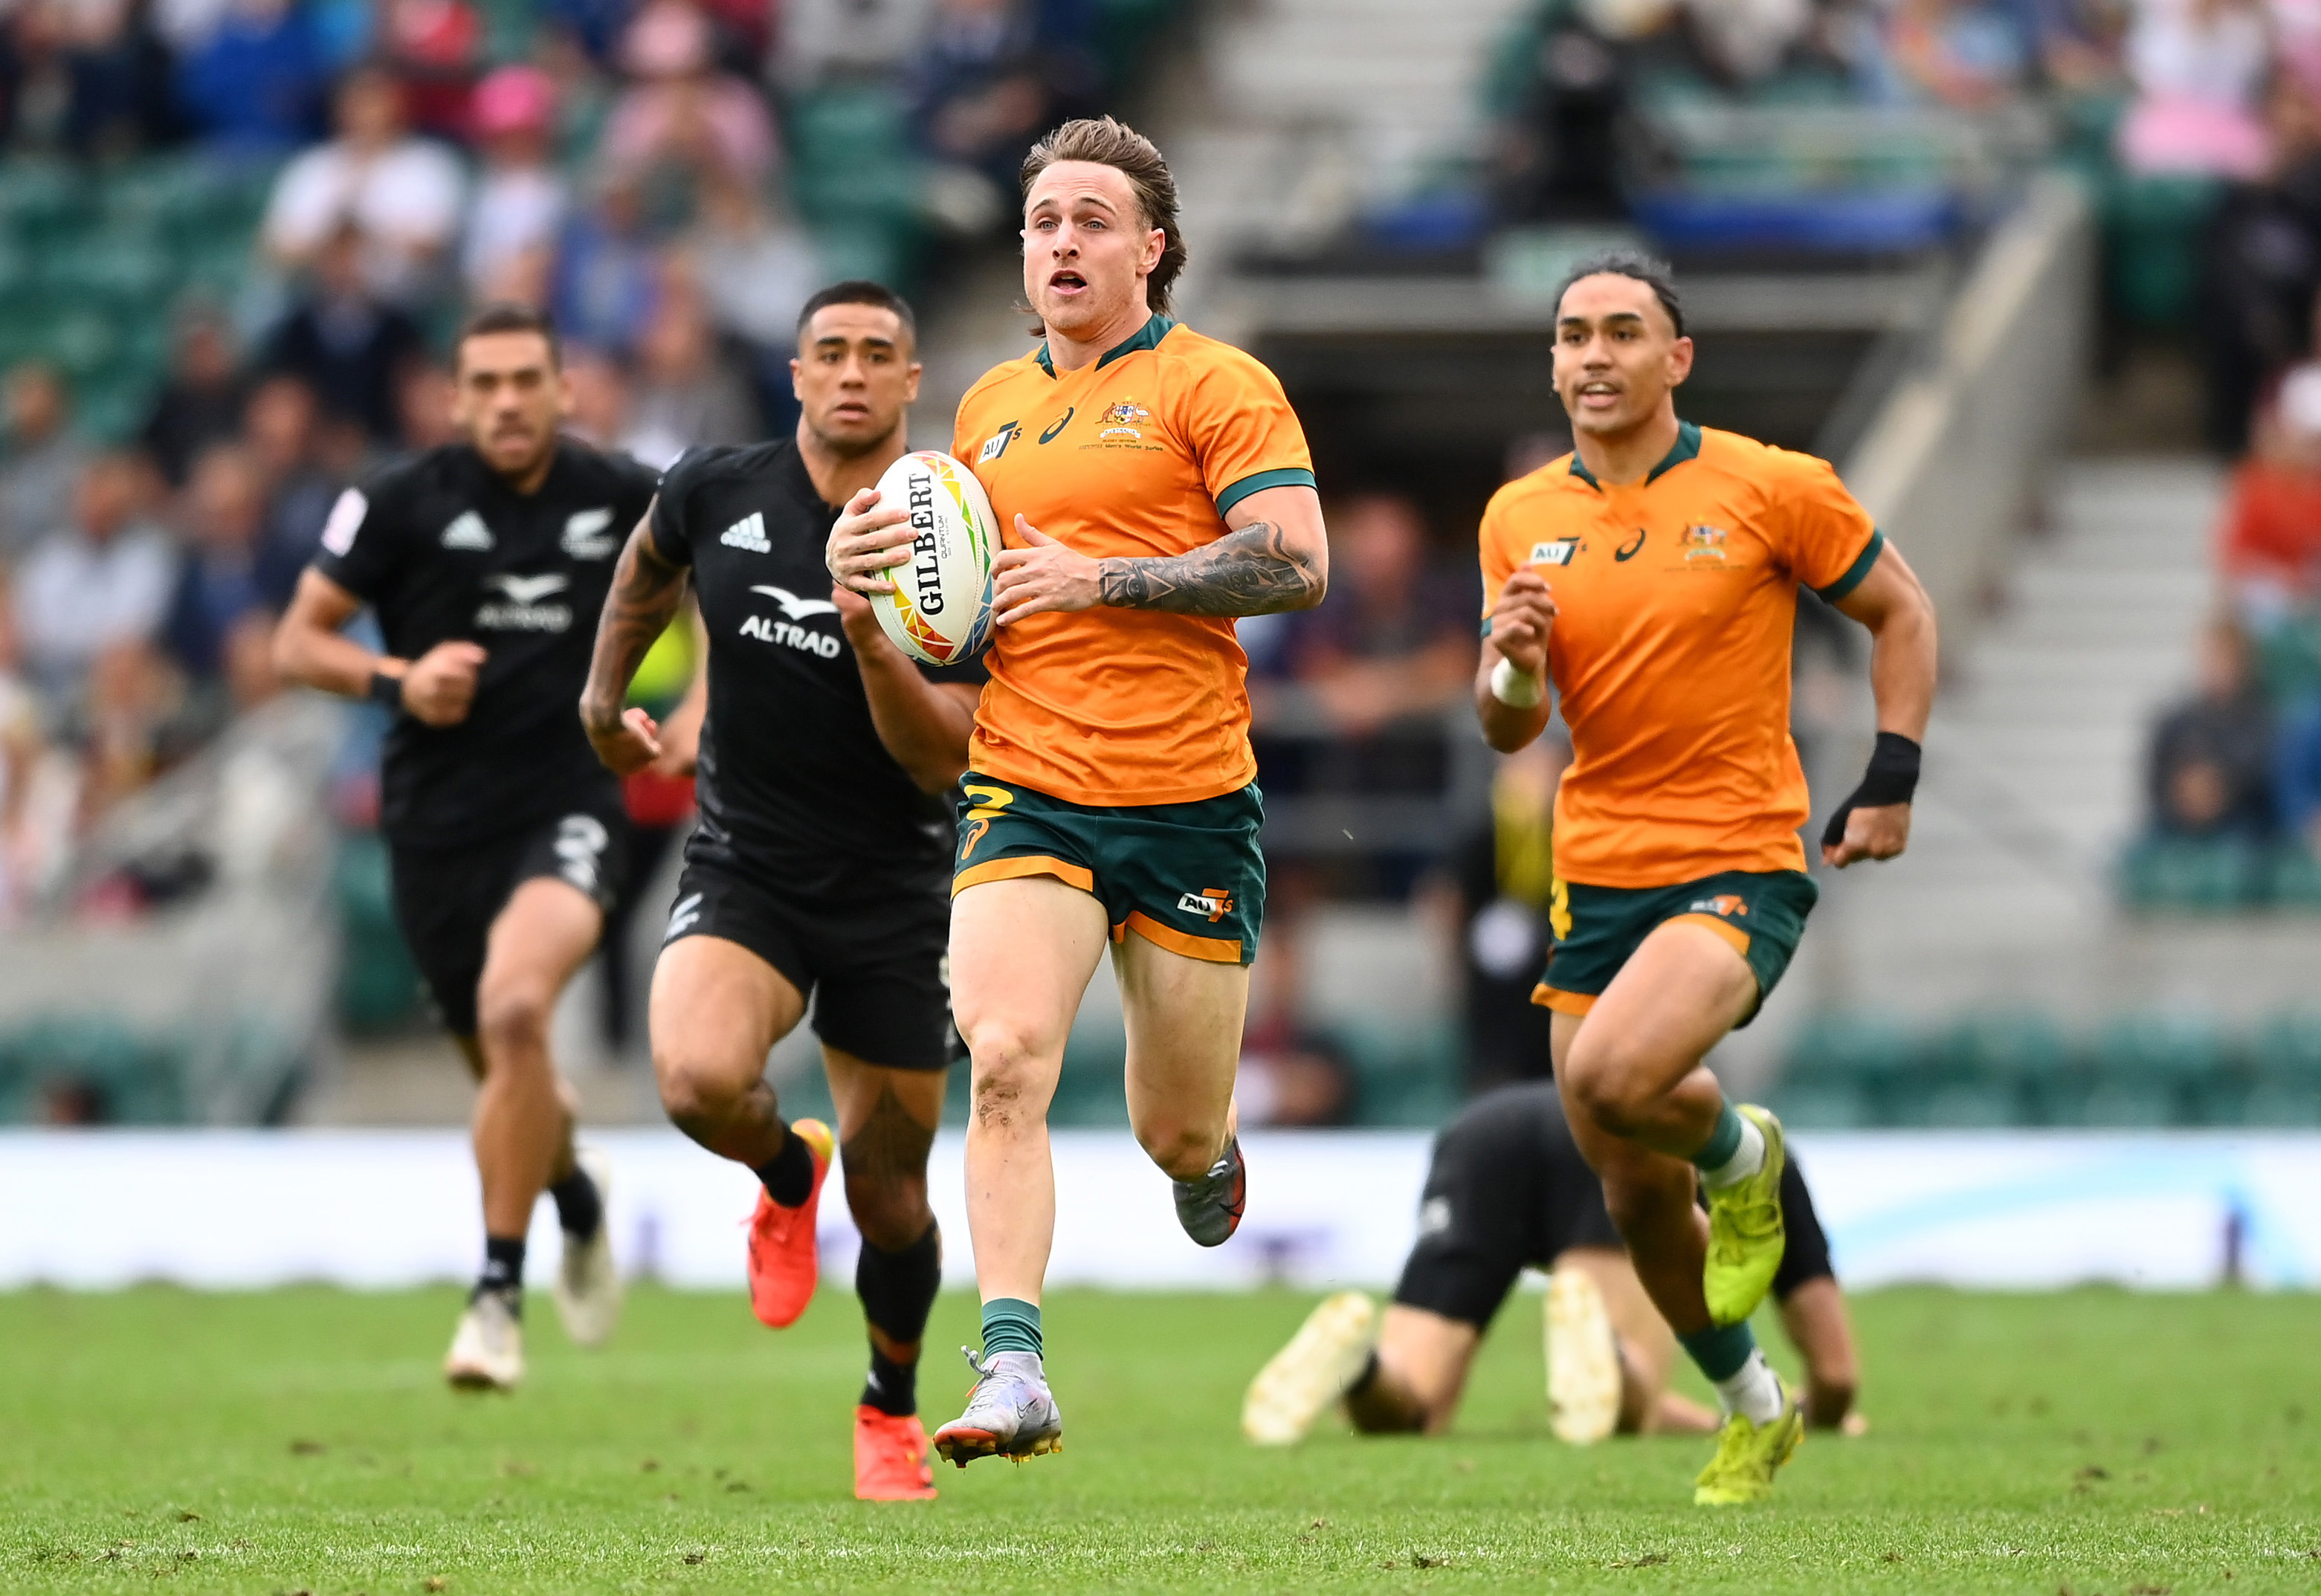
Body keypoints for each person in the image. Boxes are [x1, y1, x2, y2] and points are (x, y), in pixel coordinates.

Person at [826, 116, 1330, 1468]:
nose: (1061, 241)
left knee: (1173, 1126)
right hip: (1025, 785)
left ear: (1151, 249)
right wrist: (875, 603)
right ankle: (1012, 1364)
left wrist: (1106, 577)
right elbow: (966, 624)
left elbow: (1293, 562)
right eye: (1043, 219)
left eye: (1091, 219)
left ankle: (1207, 1154)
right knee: (1003, 1060)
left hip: (1185, 799)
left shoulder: (1218, 386)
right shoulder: (982, 414)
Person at [1473, 251, 1935, 1505]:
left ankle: (1742, 1160)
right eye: (1571, 335)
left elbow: (1900, 611)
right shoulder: (1517, 515)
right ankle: (1752, 1404)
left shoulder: (1771, 486)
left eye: (1622, 332)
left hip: (1737, 856)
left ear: (1676, 358)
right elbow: (1508, 727)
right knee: (1625, 1189)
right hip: (1594, 875)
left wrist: (1889, 775)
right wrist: (1511, 666)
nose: (1592, 356)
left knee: (1613, 1076)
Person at [578, 281, 984, 1501]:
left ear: (912, 382)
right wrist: (602, 698)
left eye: (878, 355)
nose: (853, 372)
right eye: (831, 353)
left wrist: (869, 635)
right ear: (798, 374)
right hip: (746, 860)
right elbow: (648, 568)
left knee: (896, 1188)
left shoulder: (953, 529)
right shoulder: (717, 486)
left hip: (894, 884)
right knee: (697, 1080)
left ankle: (887, 1407)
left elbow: (942, 756)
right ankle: (781, 1173)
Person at [271, 303, 659, 1392]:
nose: (505, 401)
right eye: (483, 382)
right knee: (507, 1065)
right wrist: (396, 680)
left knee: (516, 1010)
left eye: (525, 379)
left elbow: (709, 599)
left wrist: (688, 719)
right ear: (451, 399)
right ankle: (575, 1194)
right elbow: (293, 640)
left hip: (573, 799)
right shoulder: (398, 500)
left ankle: (496, 1295)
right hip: (436, 824)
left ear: (563, 389)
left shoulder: (623, 494)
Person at [1242, 1081, 1860, 1447]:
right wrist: (1790, 1414)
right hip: (1626, 1142)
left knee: (1415, 1408)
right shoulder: (1770, 1165)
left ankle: (1363, 1364)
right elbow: (1835, 1377)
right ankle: (1604, 1345)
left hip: (1488, 1132)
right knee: (1624, 1388)